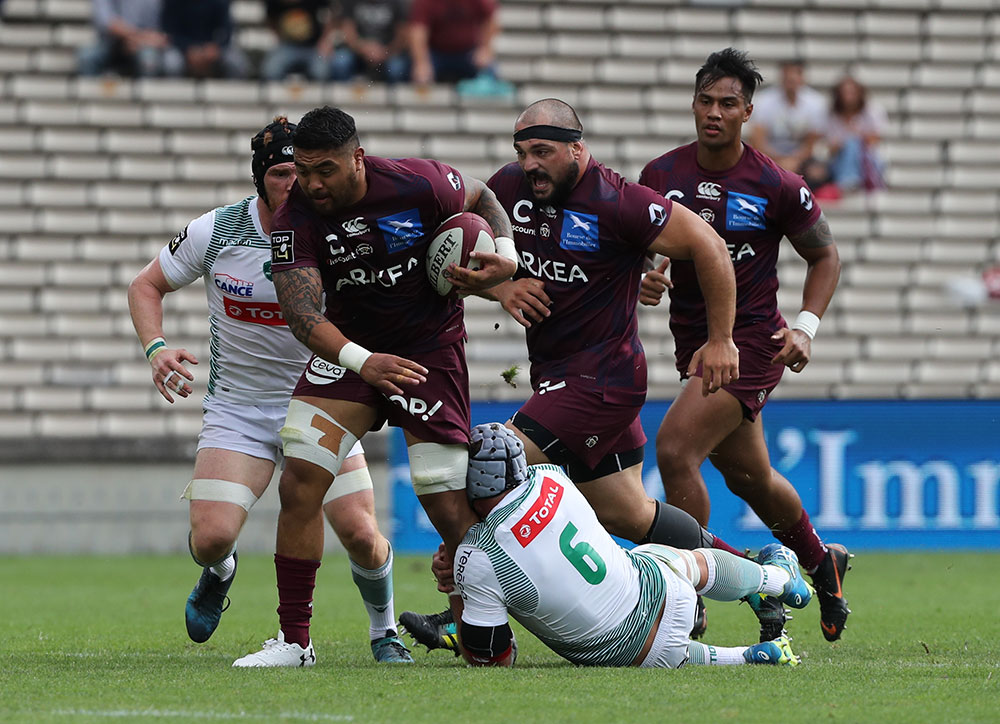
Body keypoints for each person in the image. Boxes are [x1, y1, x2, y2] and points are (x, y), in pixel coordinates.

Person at [399, 98, 743, 645]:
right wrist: (503, 286)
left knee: (489, 463)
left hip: (602, 381)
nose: (529, 163)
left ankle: (469, 615)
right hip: (556, 378)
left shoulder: (618, 200)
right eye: (522, 152)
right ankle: (762, 577)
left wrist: (721, 339)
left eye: (542, 151)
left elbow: (708, 246)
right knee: (630, 516)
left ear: (577, 149)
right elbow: (468, 264)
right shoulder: (507, 191)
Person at [232, 105, 518, 667]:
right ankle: (295, 642)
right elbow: (303, 317)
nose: (311, 183)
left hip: (428, 351)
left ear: (357, 158)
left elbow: (481, 196)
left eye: (325, 170)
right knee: (301, 481)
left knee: (448, 505)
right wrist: (365, 363)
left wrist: (505, 256)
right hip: (348, 351)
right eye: (303, 169)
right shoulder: (296, 220)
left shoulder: (419, 183)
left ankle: (485, 642)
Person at [128, 116, 411, 665]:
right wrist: (156, 347)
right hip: (239, 409)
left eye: (303, 173)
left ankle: (385, 630)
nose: (296, 184)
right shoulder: (219, 231)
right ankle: (219, 571)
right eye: (283, 172)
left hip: (326, 402)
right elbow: (146, 284)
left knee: (361, 534)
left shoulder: (339, 230)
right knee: (210, 537)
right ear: (261, 178)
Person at [638, 48, 851, 643]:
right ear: (693, 105)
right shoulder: (662, 176)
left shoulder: (775, 184)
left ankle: (688, 597)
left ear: (747, 112)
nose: (714, 112)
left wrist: (805, 325)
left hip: (749, 343)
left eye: (727, 103)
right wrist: (648, 270)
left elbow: (825, 254)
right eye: (705, 101)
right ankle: (818, 563)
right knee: (749, 476)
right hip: (696, 341)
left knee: (676, 450)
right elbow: (644, 243)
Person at [412, 423, 809, 668]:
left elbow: (495, 659)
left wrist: (457, 586)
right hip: (667, 594)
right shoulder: (551, 476)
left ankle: (747, 657)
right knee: (669, 558)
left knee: (663, 650)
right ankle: (775, 578)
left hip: (632, 655)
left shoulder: (477, 555)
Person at [747, 58, 828, 189]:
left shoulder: (815, 102)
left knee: (818, 173)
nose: (791, 81)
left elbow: (811, 142)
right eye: (787, 76)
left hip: (802, 158)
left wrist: (794, 160)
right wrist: (778, 160)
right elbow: (757, 139)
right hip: (769, 156)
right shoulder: (764, 100)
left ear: (802, 77)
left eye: (794, 76)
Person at [409, 0, 504, 90]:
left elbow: (491, 19)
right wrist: (421, 62)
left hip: (468, 52)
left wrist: (485, 49)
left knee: (489, 71)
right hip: (436, 53)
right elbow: (418, 31)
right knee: (405, 72)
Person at [824, 75, 888, 194]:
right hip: (840, 159)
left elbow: (875, 139)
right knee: (849, 145)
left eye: (852, 92)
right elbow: (830, 147)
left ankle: (848, 181)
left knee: (853, 144)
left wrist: (855, 137)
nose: (848, 96)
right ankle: (848, 181)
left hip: (867, 159)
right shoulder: (832, 115)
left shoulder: (873, 110)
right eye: (845, 92)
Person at [77, 0, 168, 78]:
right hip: (111, 42)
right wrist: (135, 37)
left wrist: (140, 41)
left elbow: (159, 30)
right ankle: (90, 97)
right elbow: (107, 22)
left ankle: (147, 97)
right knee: (86, 57)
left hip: (144, 44)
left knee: (149, 59)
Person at [161, 0, 250, 79]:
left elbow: (226, 30)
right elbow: (170, 32)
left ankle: (231, 96)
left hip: (212, 49)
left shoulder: (220, 2)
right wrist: (187, 48)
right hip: (181, 49)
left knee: (237, 63)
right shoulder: (173, 2)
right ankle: (175, 96)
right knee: (172, 64)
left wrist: (216, 47)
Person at [329, 0, 410, 84]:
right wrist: (364, 49)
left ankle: (393, 95)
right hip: (357, 52)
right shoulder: (351, 2)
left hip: (388, 53)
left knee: (397, 68)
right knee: (340, 62)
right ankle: (343, 95)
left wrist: (385, 52)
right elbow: (348, 33)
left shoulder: (397, 3)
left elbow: (402, 36)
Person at [261, 0, 337, 82]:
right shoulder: (274, 3)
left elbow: (330, 14)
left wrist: (325, 40)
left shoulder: (317, 3)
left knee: (321, 72)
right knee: (271, 70)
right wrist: (278, 35)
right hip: (287, 47)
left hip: (313, 47)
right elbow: (270, 18)